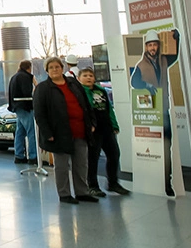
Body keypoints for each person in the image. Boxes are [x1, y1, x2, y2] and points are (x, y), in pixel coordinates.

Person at [33, 56, 97, 204]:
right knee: (61, 166)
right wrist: (47, 133)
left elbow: (86, 104)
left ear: (62, 68)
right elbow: (39, 113)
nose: (55, 70)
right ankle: (65, 194)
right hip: (58, 134)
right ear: (47, 71)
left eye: (57, 67)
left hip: (80, 130)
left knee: (81, 164)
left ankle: (82, 192)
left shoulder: (74, 83)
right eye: (51, 68)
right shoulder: (43, 89)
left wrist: (91, 122)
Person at [130, 29, 180, 196]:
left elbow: (176, 55)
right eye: (150, 45)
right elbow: (134, 82)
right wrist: (146, 86)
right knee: (151, 147)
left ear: (159, 46)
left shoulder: (164, 60)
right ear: (146, 47)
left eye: (155, 45)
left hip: (163, 110)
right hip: (150, 113)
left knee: (167, 147)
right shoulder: (140, 65)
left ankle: (167, 183)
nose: (152, 48)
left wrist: (176, 38)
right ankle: (152, 180)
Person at [78, 68, 129, 197]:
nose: (88, 77)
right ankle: (93, 185)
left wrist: (114, 124)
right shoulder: (79, 92)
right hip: (93, 130)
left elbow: (109, 109)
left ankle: (113, 183)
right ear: (79, 78)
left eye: (91, 75)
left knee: (114, 154)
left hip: (106, 127)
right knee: (93, 158)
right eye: (85, 75)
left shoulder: (101, 91)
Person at [7, 60, 38, 165]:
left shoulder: (14, 77)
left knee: (20, 132)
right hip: (25, 107)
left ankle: (19, 155)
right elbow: (27, 93)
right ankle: (33, 156)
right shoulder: (25, 77)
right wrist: (34, 84)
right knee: (31, 131)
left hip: (17, 107)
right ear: (29, 67)